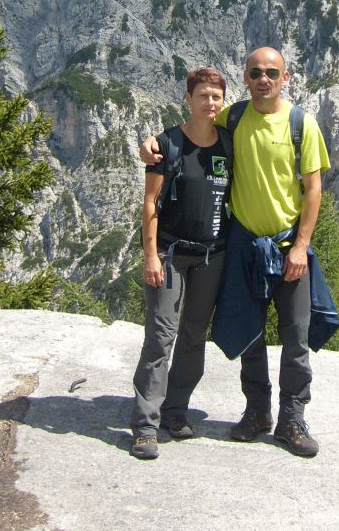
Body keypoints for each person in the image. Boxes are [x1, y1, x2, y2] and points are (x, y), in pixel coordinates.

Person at [141, 47, 333, 457]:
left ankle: (293, 420)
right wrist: (150, 144)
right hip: (243, 244)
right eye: (255, 72)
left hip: (287, 247)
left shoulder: (303, 124)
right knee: (251, 335)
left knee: (296, 336)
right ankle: (258, 412)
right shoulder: (235, 116)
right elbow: (195, 128)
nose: (263, 78)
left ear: (285, 77)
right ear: (245, 78)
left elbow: (314, 189)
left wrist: (301, 246)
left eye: (271, 72)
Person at [130, 67, 231, 461]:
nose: (209, 103)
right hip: (170, 254)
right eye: (202, 95)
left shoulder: (228, 144)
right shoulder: (167, 145)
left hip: (212, 254)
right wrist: (150, 255)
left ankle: (176, 410)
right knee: (161, 335)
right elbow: (151, 202)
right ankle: (144, 426)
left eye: (216, 97)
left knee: (194, 335)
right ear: (188, 98)